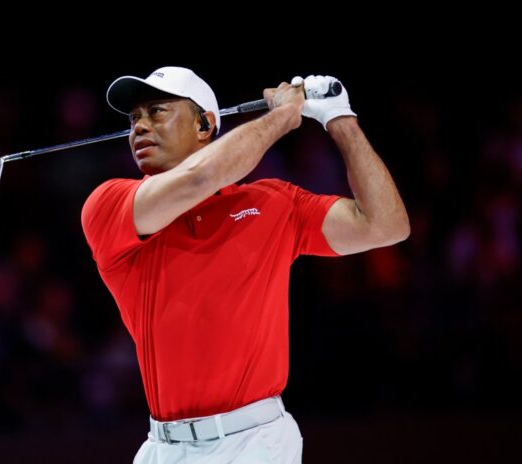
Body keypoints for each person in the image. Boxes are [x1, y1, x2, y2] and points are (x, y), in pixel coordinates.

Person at [80, 66, 409, 463]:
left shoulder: (273, 202)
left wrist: (340, 120)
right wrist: (282, 116)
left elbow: (385, 225)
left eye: (157, 111)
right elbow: (202, 176)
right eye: (134, 118)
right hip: (164, 448)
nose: (140, 127)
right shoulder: (108, 204)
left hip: (257, 443)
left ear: (205, 125)